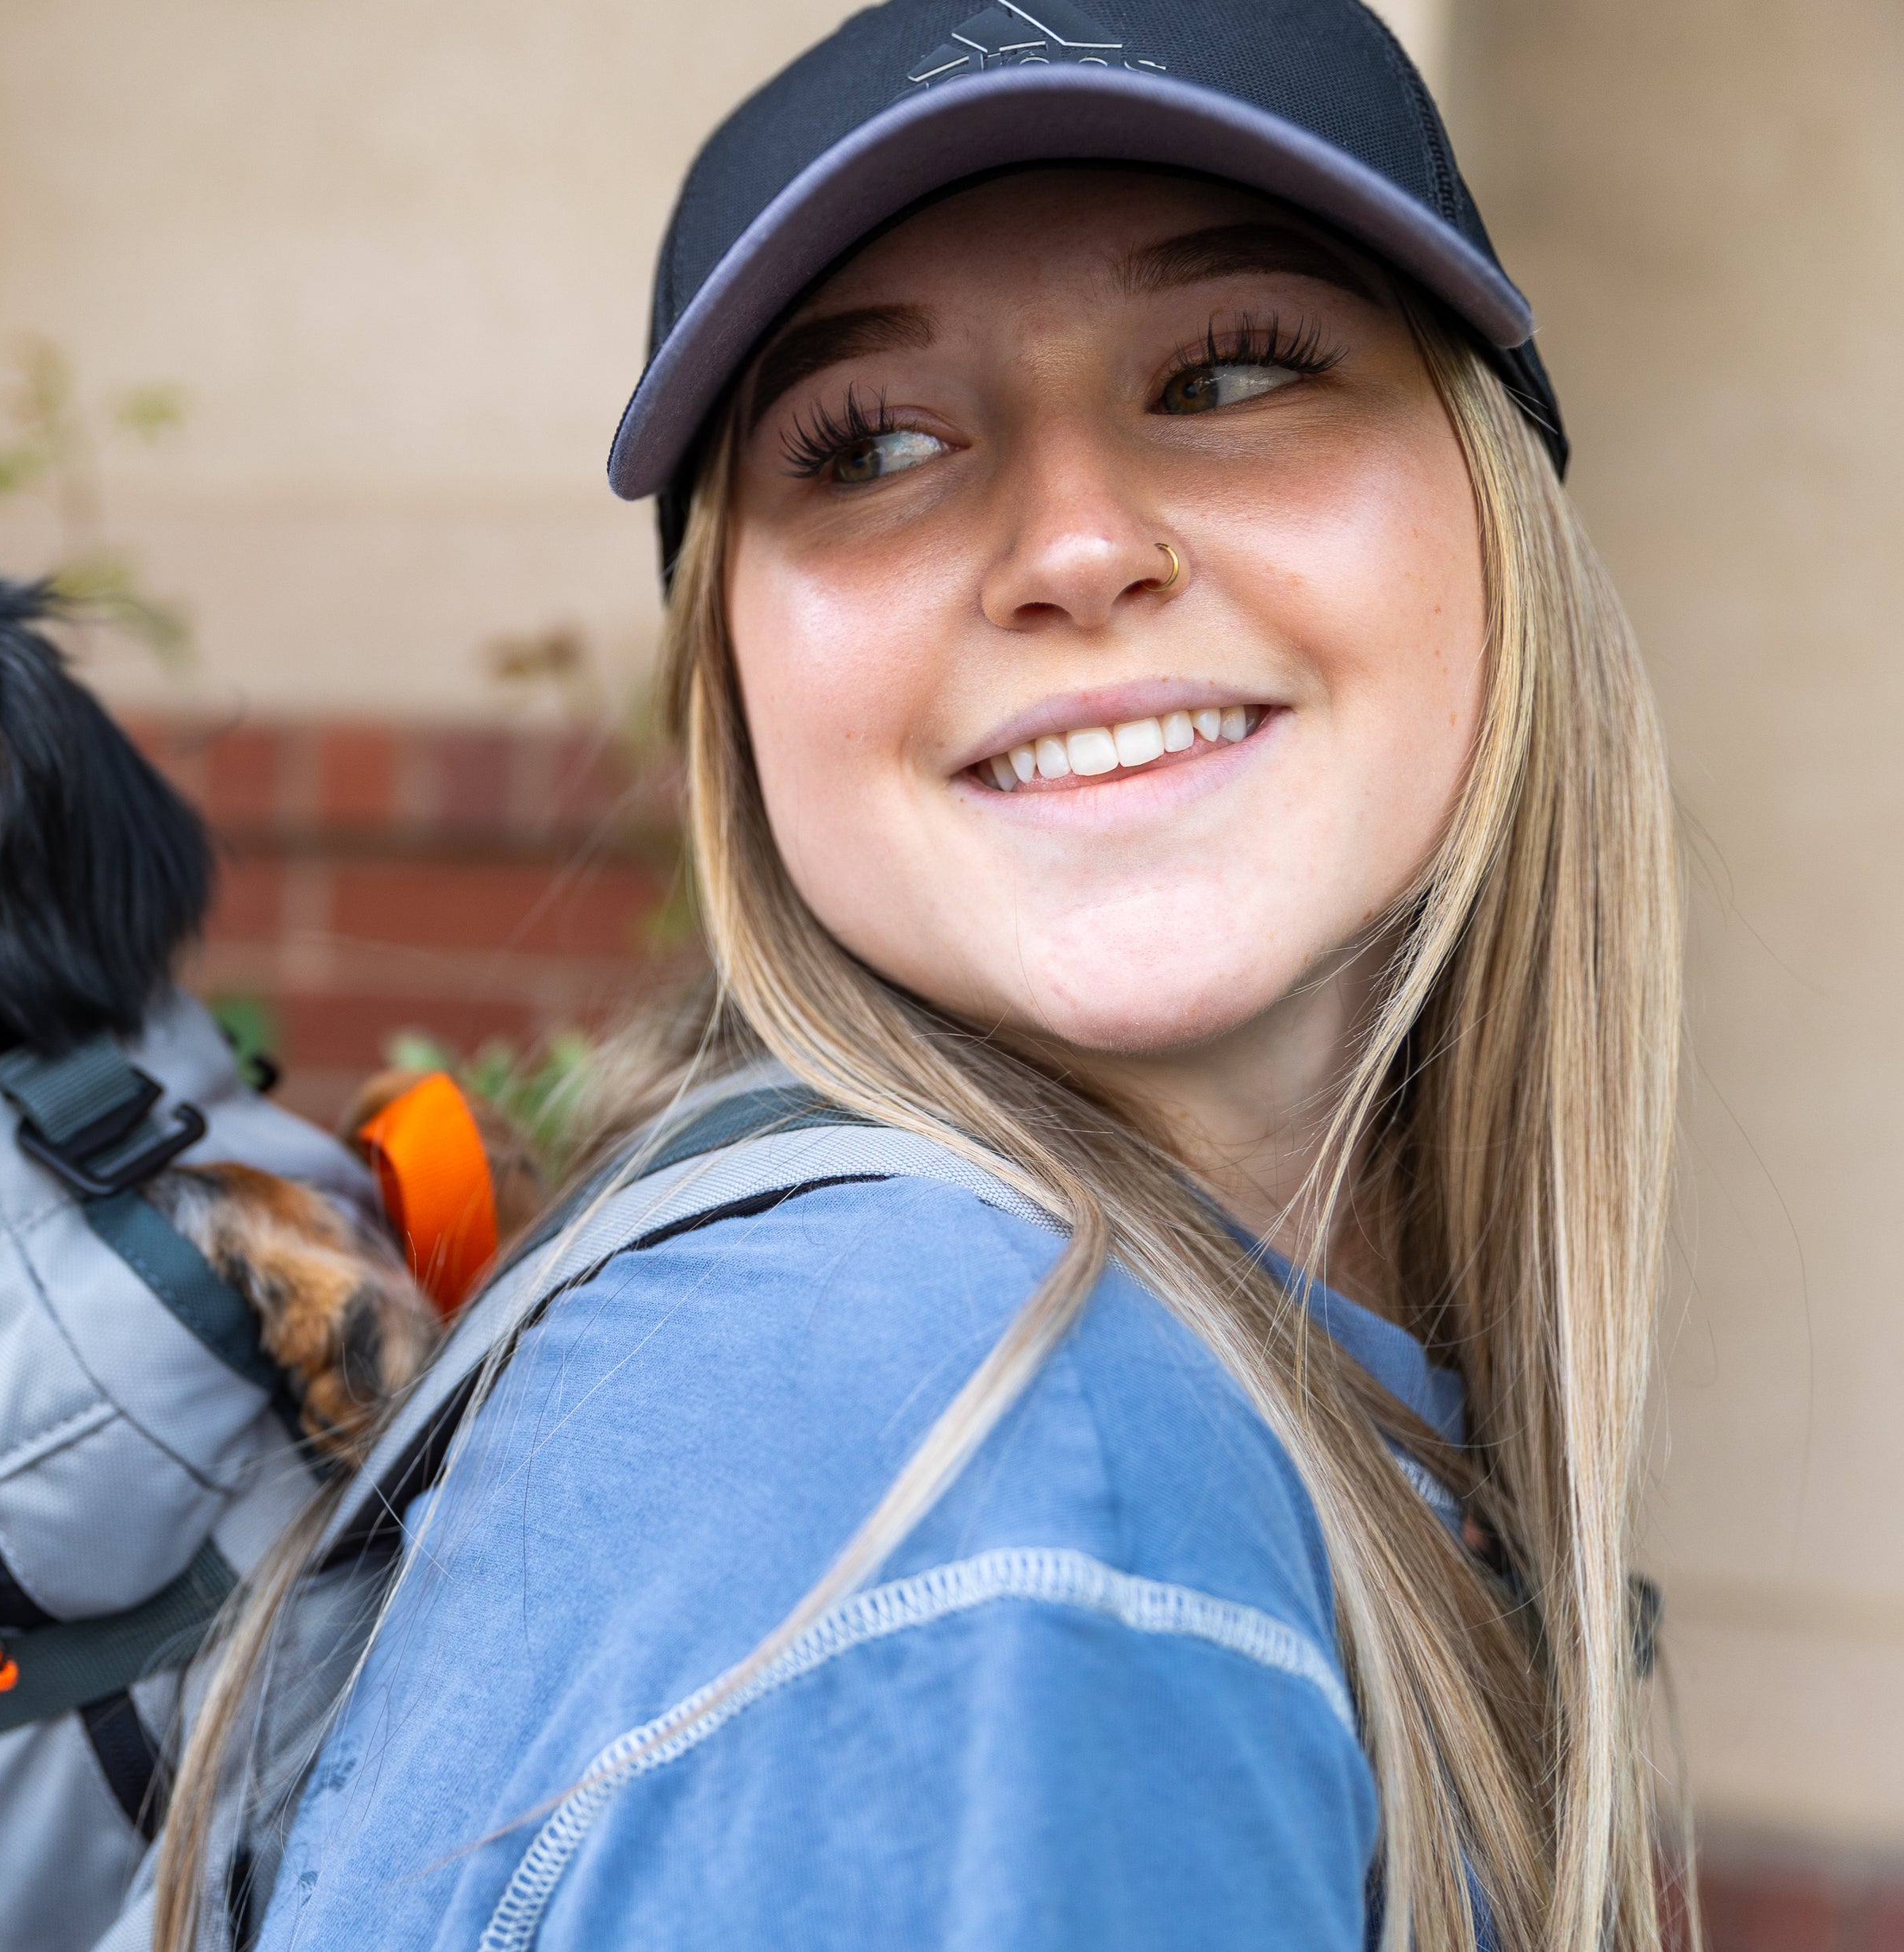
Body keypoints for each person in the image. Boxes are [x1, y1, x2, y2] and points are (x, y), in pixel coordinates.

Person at [144, 2, 1679, 1947]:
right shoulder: (989, 1442)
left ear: (1493, 509)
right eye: (868, 443)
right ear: (733, 681)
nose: (1075, 544)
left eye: (1226, 372)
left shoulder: (1179, 1389)